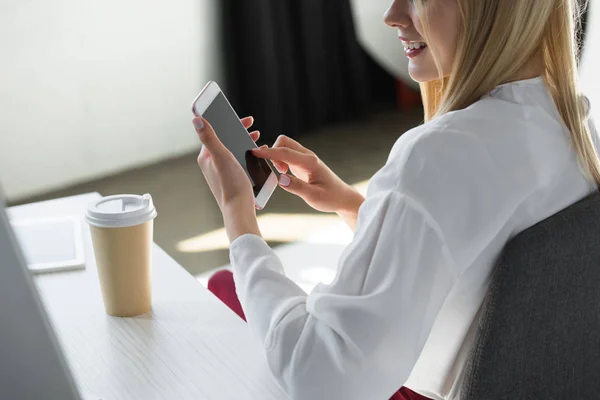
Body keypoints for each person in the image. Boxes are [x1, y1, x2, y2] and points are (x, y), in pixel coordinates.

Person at [192, 0, 599, 398]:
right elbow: (479, 258)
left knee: (226, 285)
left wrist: (237, 216)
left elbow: (322, 380)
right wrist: (358, 207)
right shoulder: (572, 124)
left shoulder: (436, 156)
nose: (392, 15)